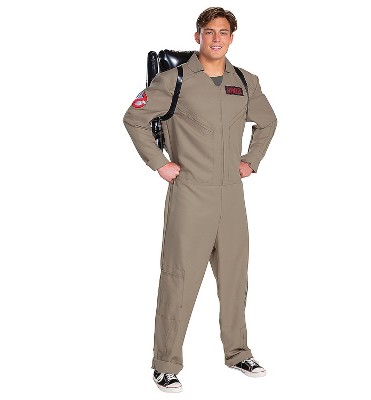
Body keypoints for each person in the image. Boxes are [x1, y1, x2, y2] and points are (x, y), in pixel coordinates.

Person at [123, 7, 277, 393]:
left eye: (223, 32)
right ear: (198, 37)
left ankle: (238, 353)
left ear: (232, 38)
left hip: (232, 194)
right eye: (209, 31)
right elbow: (134, 118)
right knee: (179, 279)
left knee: (234, 279)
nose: (216, 38)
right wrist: (159, 163)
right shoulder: (173, 80)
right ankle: (165, 364)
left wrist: (251, 159)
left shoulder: (245, 81)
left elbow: (268, 121)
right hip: (190, 193)